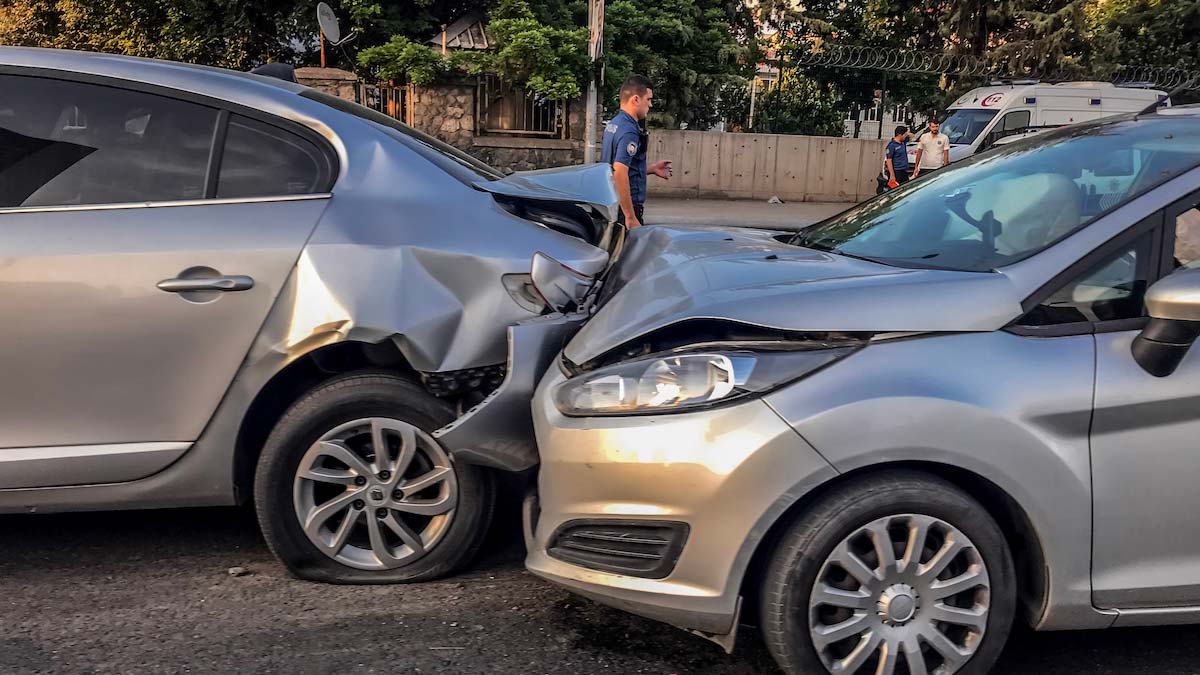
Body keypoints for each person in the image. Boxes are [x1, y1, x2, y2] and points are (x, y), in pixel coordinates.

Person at [601, 74, 673, 228]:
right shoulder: (629, 131)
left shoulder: (614, 124)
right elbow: (619, 172)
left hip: (612, 203)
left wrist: (652, 169)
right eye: (648, 99)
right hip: (625, 207)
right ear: (635, 99)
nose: (651, 105)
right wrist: (630, 217)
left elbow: (617, 167)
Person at [879, 125, 910, 194]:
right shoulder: (891, 145)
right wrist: (892, 175)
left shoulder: (903, 143)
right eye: (904, 134)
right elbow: (889, 160)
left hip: (904, 170)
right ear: (899, 134)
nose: (906, 136)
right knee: (896, 192)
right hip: (896, 171)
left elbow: (912, 136)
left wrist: (906, 132)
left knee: (905, 190)